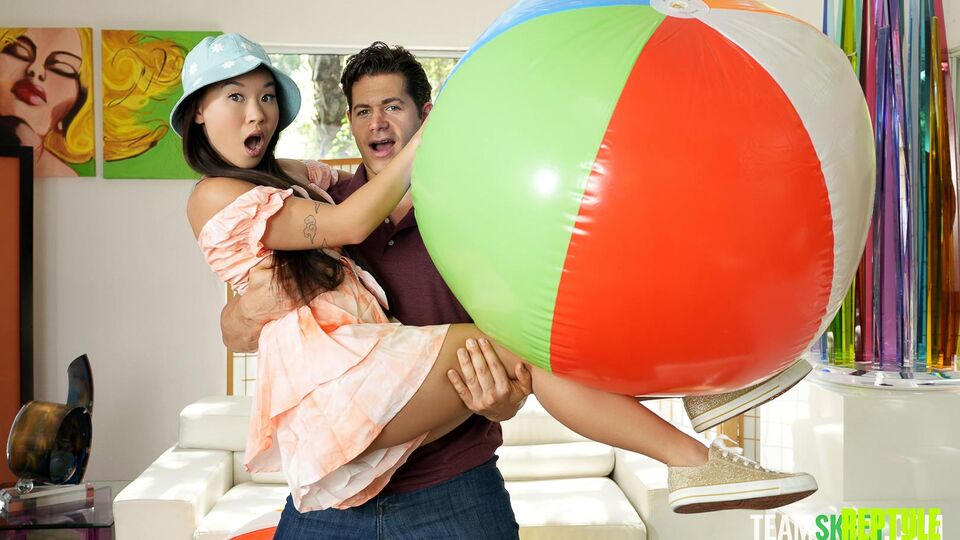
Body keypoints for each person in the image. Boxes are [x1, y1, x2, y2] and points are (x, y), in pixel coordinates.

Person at [189, 34, 818, 535]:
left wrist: (502, 400)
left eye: (394, 107)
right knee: (530, 343)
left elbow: (550, 317)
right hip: (336, 442)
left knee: (555, 323)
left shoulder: (472, 203)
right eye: (362, 111)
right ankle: (695, 443)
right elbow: (244, 320)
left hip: (453, 487)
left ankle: (704, 383)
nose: (256, 112)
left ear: (423, 114)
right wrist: (242, 315)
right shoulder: (311, 204)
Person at [0, 27, 94, 177]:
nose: (35, 69)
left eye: (62, 68)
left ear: (77, 108)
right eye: (18, 51)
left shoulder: (66, 181)